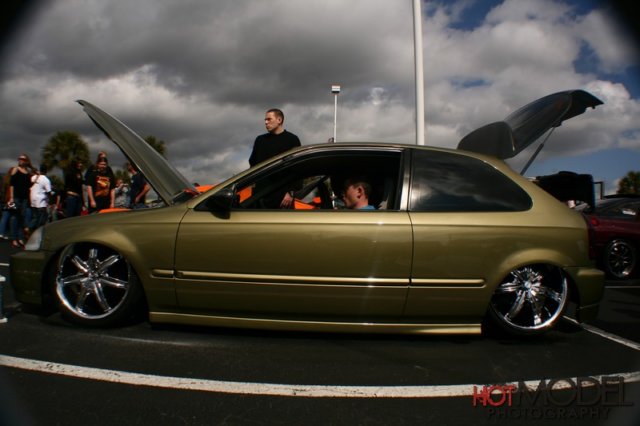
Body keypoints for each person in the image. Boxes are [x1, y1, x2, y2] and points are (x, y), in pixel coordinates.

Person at [249, 108, 301, 208]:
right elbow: (253, 164)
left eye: (269, 119)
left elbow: (297, 169)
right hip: (260, 196)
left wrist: (290, 192)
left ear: (279, 120)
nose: (266, 122)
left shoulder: (292, 139)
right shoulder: (260, 140)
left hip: (283, 198)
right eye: (265, 120)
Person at [8, 154, 35, 248]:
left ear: (26, 161)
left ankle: (20, 238)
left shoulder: (28, 172)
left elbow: (30, 185)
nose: (20, 160)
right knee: (14, 217)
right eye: (19, 158)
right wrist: (11, 197)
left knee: (21, 218)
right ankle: (14, 238)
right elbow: (11, 185)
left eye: (22, 159)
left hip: (24, 198)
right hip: (16, 197)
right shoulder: (15, 169)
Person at [29, 164, 52, 232]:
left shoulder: (34, 177)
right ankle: (36, 230)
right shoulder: (46, 180)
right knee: (41, 219)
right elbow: (49, 191)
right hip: (41, 202)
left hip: (33, 201)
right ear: (46, 171)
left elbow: (31, 182)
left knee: (35, 217)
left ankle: (29, 229)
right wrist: (50, 200)